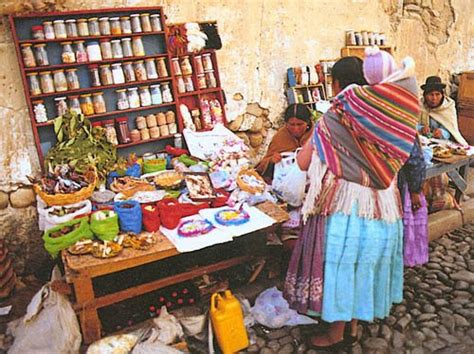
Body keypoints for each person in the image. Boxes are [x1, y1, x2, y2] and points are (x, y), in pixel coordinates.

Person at [283, 55, 420, 350]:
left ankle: (334, 335)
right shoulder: (392, 115)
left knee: (341, 269)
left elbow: (305, 161)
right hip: (383, 207)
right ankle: (353, 327)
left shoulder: (336, 115)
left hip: (348, 207)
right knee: (362, 267)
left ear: (335, 83)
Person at [364, 46, 428, 267]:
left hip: (367, 185)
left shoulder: (363, 103)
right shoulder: (400, 106)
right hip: (394, 184)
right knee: (392, 230)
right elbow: (414, 156)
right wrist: (417, 189)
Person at [255, 103, 313, 181]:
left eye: (300, 124)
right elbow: (261, 167)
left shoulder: (316, 136)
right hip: (286, 182)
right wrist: (272, 160)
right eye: (292, 124)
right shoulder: (280, 137)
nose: (296, 129)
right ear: (286, 123)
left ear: (308, 123)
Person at [419, 75, 468, 145]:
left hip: (442, 143)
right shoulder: (420, 105)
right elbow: (412, 124)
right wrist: (421, 128)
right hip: (422, 142)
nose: (434, 98)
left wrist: (442, 132)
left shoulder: (448, 106)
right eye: (431, 94)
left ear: (442, 95)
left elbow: (451, 130)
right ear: (425, 95)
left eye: (437, 94)